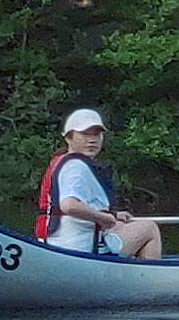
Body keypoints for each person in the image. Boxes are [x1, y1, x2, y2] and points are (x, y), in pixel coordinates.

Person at [35, 109, 162, 260]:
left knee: (120, 226)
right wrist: (102, 217)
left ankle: (133, 273)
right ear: (69, 138)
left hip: (57, 244)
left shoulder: (65, 162)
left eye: (97, 134)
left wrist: (113, 215)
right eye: (85, 134)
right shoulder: (76, 166)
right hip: (80, 251)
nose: (92, 139)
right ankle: (148, 279)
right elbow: (69, 205)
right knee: (149, 228)